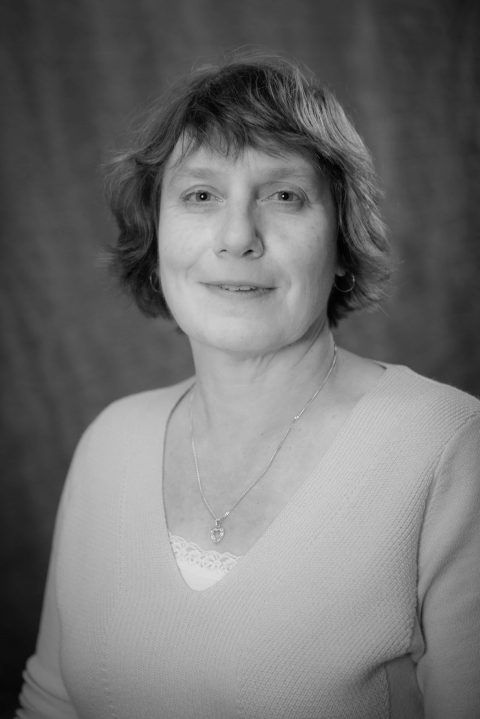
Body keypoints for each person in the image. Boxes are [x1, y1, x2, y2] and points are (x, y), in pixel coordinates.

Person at [16, 55, 480, 719]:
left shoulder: (448, 447)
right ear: (156, 235)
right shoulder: (109, 441)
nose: (237, 237)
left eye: (284, 196)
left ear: (341, 237)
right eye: (201, 196)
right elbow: (51, 703)